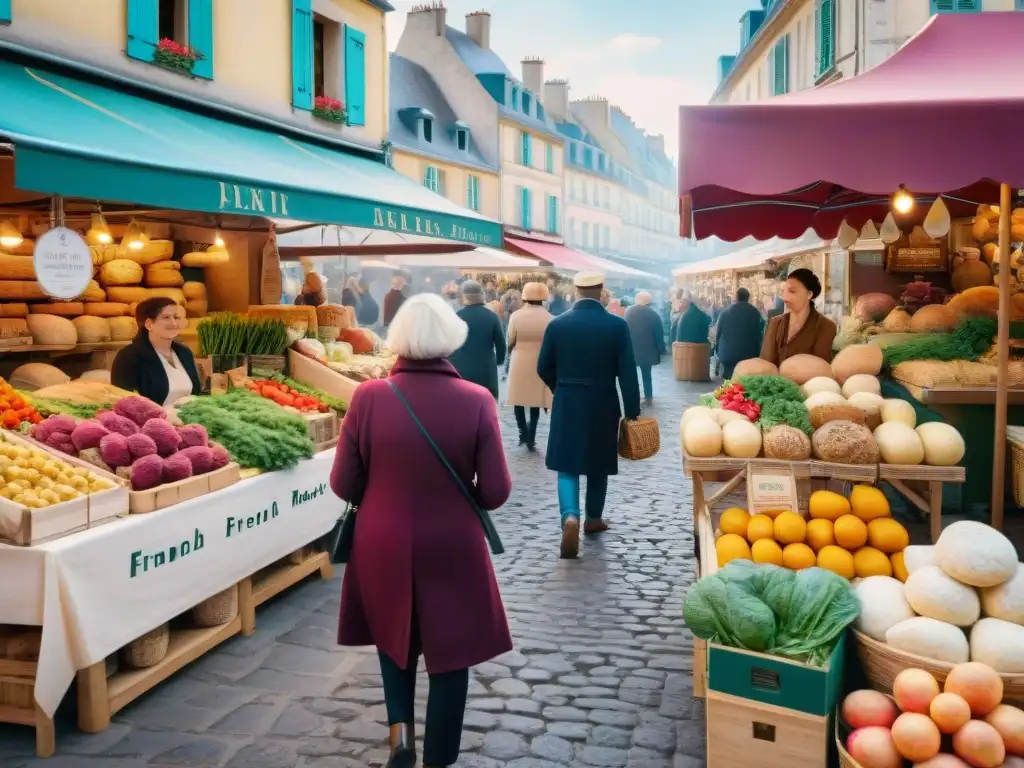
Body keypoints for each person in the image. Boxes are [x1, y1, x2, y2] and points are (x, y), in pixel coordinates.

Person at [331, 294, 512, 768]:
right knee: (452, 653)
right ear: (451, 339)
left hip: (382, 538)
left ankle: (401, 737)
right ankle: (440, 759)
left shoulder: (367, 396)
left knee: (394, 639)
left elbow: (343, 483)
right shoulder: (477, 399)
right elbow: (494, 491)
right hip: (453, 542)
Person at [537, 272, 642, 559]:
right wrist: (632, 409)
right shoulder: (617, 326)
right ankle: (593, 518)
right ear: (601, 291)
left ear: (577, 291)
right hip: (602, 400)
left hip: (568, 399)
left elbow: (543, 366)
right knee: (598, 461)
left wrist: (560, 388)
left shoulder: (557, 324)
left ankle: (570, 516)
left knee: (566, 463)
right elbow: (628, 373)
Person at [111, 297, 201, 408]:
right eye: (166, 317)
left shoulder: (184, 353)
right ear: (149, 324)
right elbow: (123, 401)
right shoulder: (129, 356)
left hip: (190, 420)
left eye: (176, 317)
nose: (173, 323)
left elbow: (196, 393)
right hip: (151, 423)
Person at [506, 282, 553, 451]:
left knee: (518, 399)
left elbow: (510, 340)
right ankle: (532, 434)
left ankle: (522, 432)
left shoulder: (516, 316)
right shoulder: (550, 318)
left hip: (520, 360)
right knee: (535, 401)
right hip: (540, 361)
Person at [761, 268, 837, 365]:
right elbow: (765, 362)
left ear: (809, 294)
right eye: (783, 291)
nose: (785, 297)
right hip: (772, 379)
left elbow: (819, 367)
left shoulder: (826, 326)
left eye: (792, 291)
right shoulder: (775, 323)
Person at [447, 281, 506, 399]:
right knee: (487, 404)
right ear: (481, 295)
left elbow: (449, 345)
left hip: (462, 370)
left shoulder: (457, 316)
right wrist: (499, 361)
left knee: (464, 404)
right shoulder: (492, 316)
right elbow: (501, 345)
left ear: (464, 297)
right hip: (486, 370)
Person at [625, 291, 666, 406]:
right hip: (648, 351)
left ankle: (634, 395)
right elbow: (659, 334)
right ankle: (648, 396)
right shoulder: (654, 314)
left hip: (632, 350)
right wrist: (661, 350)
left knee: (632, 374)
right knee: (646, 374)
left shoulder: (629, 312)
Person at [714, 288, 766, 378]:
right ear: (748, 298)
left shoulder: (725, 313)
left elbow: (718, 336)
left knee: (729, 380)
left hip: (727, 356)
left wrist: (719, 352)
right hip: (749, 356)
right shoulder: (755, 313)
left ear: (736, 297)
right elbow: (760, 335)